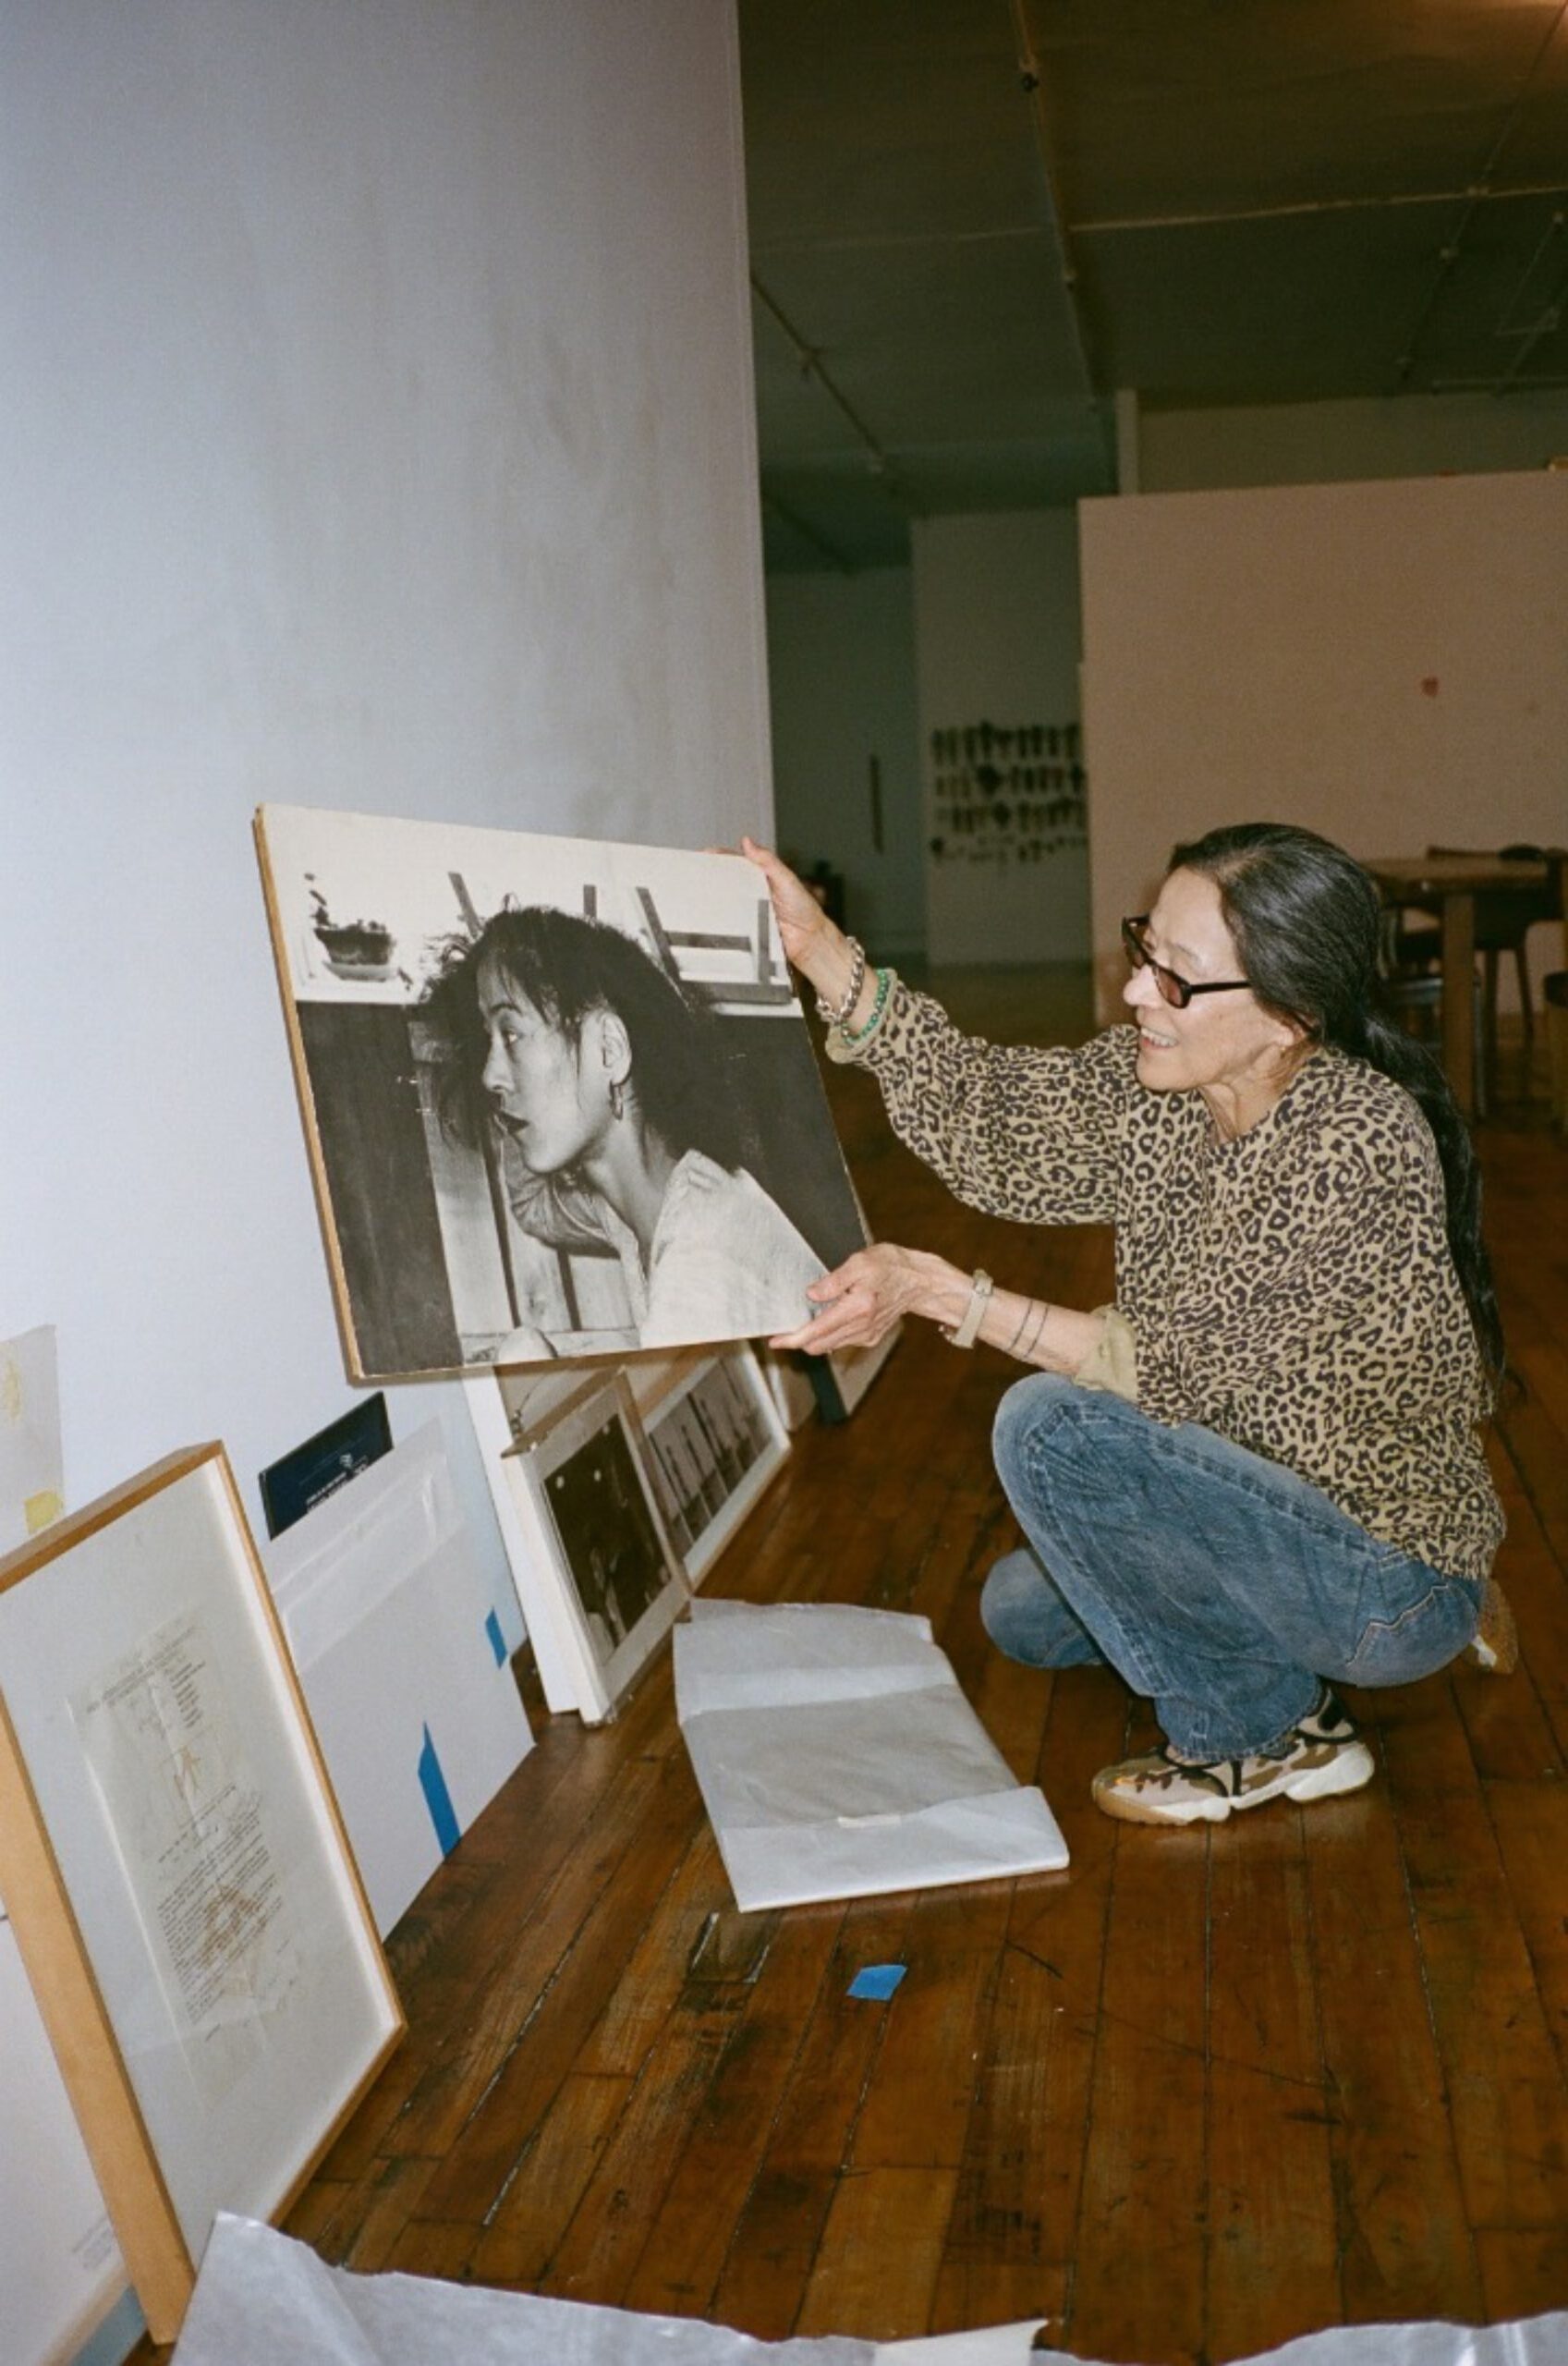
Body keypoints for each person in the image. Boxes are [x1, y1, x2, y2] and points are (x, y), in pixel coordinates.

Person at [744, 823, 1512, 1829]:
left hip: (1375, 1557)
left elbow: (1186, 1374)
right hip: (1253, 1494)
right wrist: (820, 953)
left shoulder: (1356, 1141)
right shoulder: (1165, 1090)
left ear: (1289, 1016)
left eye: (1177, 978)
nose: (1136, 992)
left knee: (1049, 1427)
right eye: (1145, 948)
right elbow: (991, 1117)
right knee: (1016, 1612)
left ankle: (1267, 1735)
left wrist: (943, 1296)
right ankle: (1284, 1647)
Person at [420, 903, 827, 1356]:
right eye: (488, 1040)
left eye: (512, 1034)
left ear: (609, 1050)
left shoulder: (697, 1280)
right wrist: (513, 1105)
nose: (488, 1075)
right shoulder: (665, 1194)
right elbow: (533, 1204)